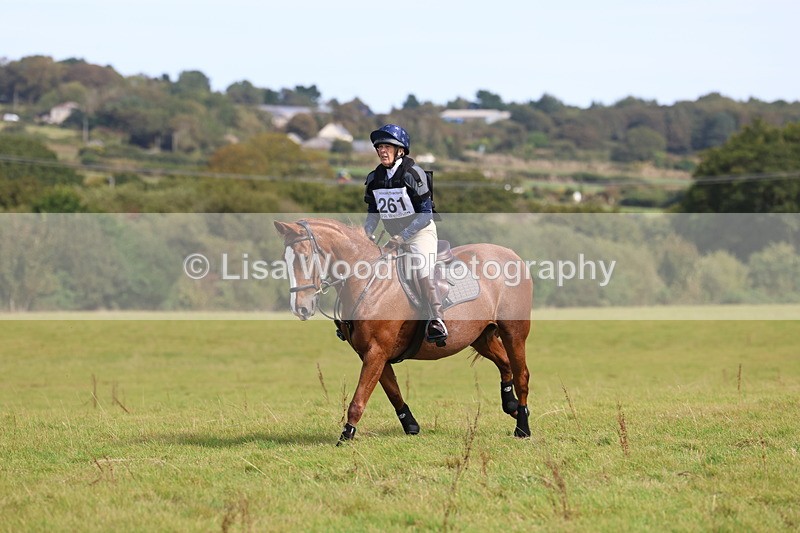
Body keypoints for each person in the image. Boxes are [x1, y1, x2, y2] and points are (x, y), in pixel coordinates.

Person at [363, 124, 448, 344]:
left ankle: (437, 320)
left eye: (387, 147)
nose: (382, 151)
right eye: (380, 147)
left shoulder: (413, 173)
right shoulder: (374, 178)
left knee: (420, 265)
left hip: (420, 232)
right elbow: (373, 213)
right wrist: (366, 235)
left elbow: (426, 214)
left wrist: (403, 236)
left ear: (400, 150)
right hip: (393, 237)